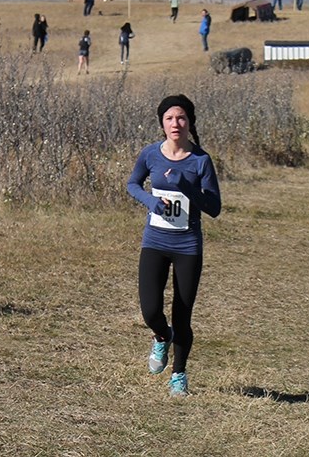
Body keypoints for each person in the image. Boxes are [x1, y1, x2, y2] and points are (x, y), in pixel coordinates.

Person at [126, 94, 221, 397]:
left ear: (190, 122)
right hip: (154, 241)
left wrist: (185, 185)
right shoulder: (151, 154)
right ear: (162, 124)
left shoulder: (200, 160)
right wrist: (152, 201)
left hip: (187, 246)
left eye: (181, 117)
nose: (175, 123)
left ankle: (179, 374)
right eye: (169, 118)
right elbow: (132, 184)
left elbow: (214, 207)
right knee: (150, 309)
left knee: (183, 314)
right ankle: (160, 335)